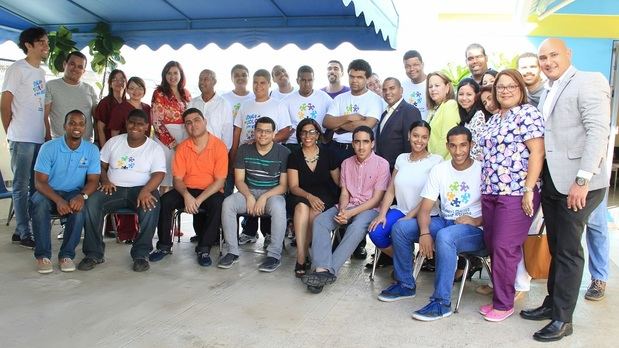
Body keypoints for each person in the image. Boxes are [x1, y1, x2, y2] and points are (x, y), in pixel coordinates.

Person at [520, 38, 610, 342]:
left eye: (553, 55)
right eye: (542, 57)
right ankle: (551, 304)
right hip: (555, 181)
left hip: (579, 183)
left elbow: (598, 130)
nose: (547, 62)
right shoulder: (548, 89)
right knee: (557, 247)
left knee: (569, 251)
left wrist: (582, 179)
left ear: (568, 54)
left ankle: (563, 319)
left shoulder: (589, 81)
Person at [394, 126, 483, 321]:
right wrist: (425, 232)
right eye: (453, 146)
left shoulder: (482, 170)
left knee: (445, 236)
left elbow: (496, 209)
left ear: (471, 145)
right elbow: (425, 208)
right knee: (401, 228)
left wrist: (476, 220)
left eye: (463, 146)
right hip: (446, 221)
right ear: (447, 146)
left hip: (475, 230)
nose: (458, 151)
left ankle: (442, 303)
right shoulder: (440, 170)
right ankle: (405, 285)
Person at [479, 69, 545, 322]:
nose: (505, 90)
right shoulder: (494, 117)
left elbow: (537, 153)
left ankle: (504, 304)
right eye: (500, 86)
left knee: (505, 247)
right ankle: (501, 295)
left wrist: (528, 190)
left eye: (511, 86)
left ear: (521, 89)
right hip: (490, 192)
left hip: (516, 193)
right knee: (493, 246)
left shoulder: (528, 113)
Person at [301, 126, 389, 293]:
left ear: (372, 144)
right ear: (352, 144)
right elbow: (344, 192)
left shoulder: (382, 165)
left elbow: (376, 199)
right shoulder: (347, 163)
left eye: (365, 142)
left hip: (369, 208)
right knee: (320, 221)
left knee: (356, 227)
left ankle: (327, 271)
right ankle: (322, 270)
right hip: (347, 205)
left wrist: (349, 214)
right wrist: (342, 211)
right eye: (357, 142)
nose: (361, 146)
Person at [79, 109, 165, 272]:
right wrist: (105, 180)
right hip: (113, 188)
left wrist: (146, 190)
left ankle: (141, 254)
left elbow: (159, 174)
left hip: (141, 190)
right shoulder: (114, 142)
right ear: (126, 123)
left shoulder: (154, 148)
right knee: (91, 202)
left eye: (140, 124)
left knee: (151, 205)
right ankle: (93, 253)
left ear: (147, 126)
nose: (135, 127)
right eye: (132, 122)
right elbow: (100, 165)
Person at [149, 108, 228, 267]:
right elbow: (177, 179)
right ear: (185, 127)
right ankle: (164, 246)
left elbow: (220, 181)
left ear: (205, 121)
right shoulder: (183, 148)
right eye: (189, 123)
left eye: (197, 120)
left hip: (210, 191)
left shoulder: (219, 146)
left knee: (219, 204)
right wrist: (186, 195)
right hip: (187, 189)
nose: (193, 125)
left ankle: (204, 248)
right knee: (165, 200)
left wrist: (197, 200)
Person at [323, 59, 385, 259]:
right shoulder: (341, 98)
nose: (355, 80)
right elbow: (327, 122)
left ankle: (356, 245)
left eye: (360, 77)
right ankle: (338, 240)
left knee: (358, 196)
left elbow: (367, 126)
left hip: (358, 151)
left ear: (367, 78)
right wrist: (350, 118)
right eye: (352, 76)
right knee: (339, 196)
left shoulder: (374, 100)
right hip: (336, 149)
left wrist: (339, 126)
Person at [30, 110, 100, 273]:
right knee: (38, 204)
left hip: (73, 191)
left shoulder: (91, 150)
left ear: (85, 127)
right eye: (72, 123)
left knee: (79, 208)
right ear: (64, 126)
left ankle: (66, 255)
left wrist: (82, 196)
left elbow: (93, 181)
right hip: (49, 191)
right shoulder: (49, 148)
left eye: (81, 124)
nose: (77, 127)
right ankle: (43, 256)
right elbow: (39, 182)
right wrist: (58, 200)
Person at [218, 117, 290, 272]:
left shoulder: (283, 152)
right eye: (259, 130)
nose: (263, 134)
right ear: (254, 132)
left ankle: (274, 255)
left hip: (272, 195)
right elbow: (239, 180)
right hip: (247, 192)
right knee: (228, 203)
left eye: (267, 131)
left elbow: (284, 186)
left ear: (273, 134)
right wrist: (250, 196)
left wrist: (263, 197)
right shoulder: (244, 149)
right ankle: (232, 251)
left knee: (279, 206)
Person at [231, 69, 292, 247]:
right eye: (255, 82)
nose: (259, 86)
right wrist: (234, 151)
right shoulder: (246, 105)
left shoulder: (278, 105)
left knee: (267, 190)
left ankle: (269, 235)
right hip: (247, 156)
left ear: (269, 84)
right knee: (248, 189)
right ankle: (249, 232)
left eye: (263, 82)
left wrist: (266, 140)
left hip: (268, 154)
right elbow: (237, 130)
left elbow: (287, 130)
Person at [369, 121, 442, 268]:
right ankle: (406, 260)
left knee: (400, 230)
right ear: (409, 136)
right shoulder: (401, 158)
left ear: (428, 139)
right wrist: (382, 214)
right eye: (415, 135)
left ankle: (403, 267)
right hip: (401, 210)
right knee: (375, 232)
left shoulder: (436, 161)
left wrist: (409, 217)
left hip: (425, 213)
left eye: (424, 137)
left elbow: (430, 195)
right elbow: (391, 189)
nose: (419, 141)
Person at [1, 26, 49, 248]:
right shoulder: (16, 69)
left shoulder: (40, 72)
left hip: (37, 137)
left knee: (34, 185)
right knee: (21, 186)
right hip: (21, 138)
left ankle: (27, 227)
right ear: (28, 45)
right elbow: (5, 102)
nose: (46, 46)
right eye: (41, 42)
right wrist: (11, 131)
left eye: (46, 42)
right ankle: (23, 231)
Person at [287, 118, 340, 277]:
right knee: (302, 208)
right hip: (302, 194)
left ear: (318, 134)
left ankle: (307, 254)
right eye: (303, 132)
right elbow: (294, 187)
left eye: (312, 132)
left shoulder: (329, 154)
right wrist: (309, 197)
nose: (307, 135)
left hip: (326, 194)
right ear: (299, 135)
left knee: (313, 214)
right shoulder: (294, 156)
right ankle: (302, 256)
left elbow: (338, 182)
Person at [151, 61, 191, 189]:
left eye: (175, 73)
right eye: (169, 73)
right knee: (165, 175)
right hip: (165, 140)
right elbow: (157, 122)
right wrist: (173, 143)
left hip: (184, 136)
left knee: (179, 174)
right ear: (164, 75)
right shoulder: (159, 93)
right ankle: (165, 207)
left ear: (181, 75)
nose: (172, 76)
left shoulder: (186, 93)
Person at [45, 51, 97, 142]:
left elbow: (96, 118)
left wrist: (97, 141)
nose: (75, 69)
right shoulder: (51, 86)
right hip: (59, 143)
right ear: (65, 64)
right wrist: (48, 139)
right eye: (72, 64)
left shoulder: (90, 89)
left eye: (80, 67)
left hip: (85, 145)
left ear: (83, 71)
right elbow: (44, 116)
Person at [281, 65, 333, 150]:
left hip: (317, 143)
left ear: (313, 80)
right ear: (297, 81)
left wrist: (326, 139)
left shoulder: (324, 97)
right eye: (303, 80)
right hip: (294, 144)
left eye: (310, 80)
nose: (307, 84)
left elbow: (334, 118)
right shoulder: (286, 101)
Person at [375, 77, 421, 170]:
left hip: (399, 169)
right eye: (384, 90)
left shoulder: (410, 111)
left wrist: (405, 169)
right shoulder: (384, 113)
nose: (387, 92)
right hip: (383, 169)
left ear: (401, 90)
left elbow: (411, 144)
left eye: (392, 88)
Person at [222, 64, 254, 196]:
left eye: (243, 75)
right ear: (231, 78)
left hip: (249, 148)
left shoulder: (254, 97)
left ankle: (249, 216)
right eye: (236, 75)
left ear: (248, 77)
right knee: (227, 183)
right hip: (228, 146)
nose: (240, 78)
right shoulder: (224, 98)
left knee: (247, 185)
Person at [187, 69, 233, 150]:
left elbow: (227, 133)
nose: (202, 82)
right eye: (200, 79)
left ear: (214, 82)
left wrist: (223, 153)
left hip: (215, 152)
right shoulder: (192, 103)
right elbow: (187, 130)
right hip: (194, 152)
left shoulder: (224, 104)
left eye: (206, 79)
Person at [426, 71, 459, 159]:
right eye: (430, 86)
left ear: (447, 87)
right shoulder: (432, 110)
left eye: (437, 85)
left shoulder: (450, 105)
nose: (433, 89)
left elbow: (447, 137)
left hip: (444, 161)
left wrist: (433, 160)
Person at [95, 69, 127, 147]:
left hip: (125, 146)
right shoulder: (105, 103)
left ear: (126, 83)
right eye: (115, 79)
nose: (119, 82)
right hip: (109, 146)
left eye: (122, 79)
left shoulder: (128, 103)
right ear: (110, 84)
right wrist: (104, 150)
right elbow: (100, 129)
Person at [455, 78, 484, 161]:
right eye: (461, 94)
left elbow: (478, 148)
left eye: (469, 94)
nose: (464, 98)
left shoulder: (479, 115)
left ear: (476, 96)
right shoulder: (464, 116)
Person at [402, 50, 428, 119]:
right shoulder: (402, 86)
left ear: (422, 65)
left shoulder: (432, 83)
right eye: (408, 66)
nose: (412, 69)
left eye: (415, 65)